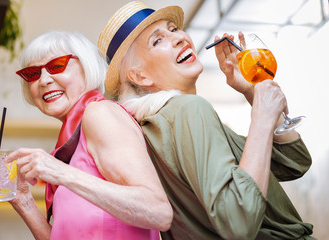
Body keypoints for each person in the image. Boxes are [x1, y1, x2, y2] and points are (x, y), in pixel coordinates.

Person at [97, 1, 315, 239]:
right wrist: (261, 117)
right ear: (140, 76)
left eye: (173, 29)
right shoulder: (189, 110)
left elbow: (294, 162)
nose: (179, 37)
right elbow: (238, 222)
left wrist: (252, 92)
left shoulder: (161, 125)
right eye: (157, 40)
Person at [0, 30, 173, 240]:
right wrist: (21, 198)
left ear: (87, 68)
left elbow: (158, 212)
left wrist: (59, 172)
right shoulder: (71, 144)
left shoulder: (100, 113)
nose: (43, 80)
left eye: (57, 66)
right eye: (32, 74)